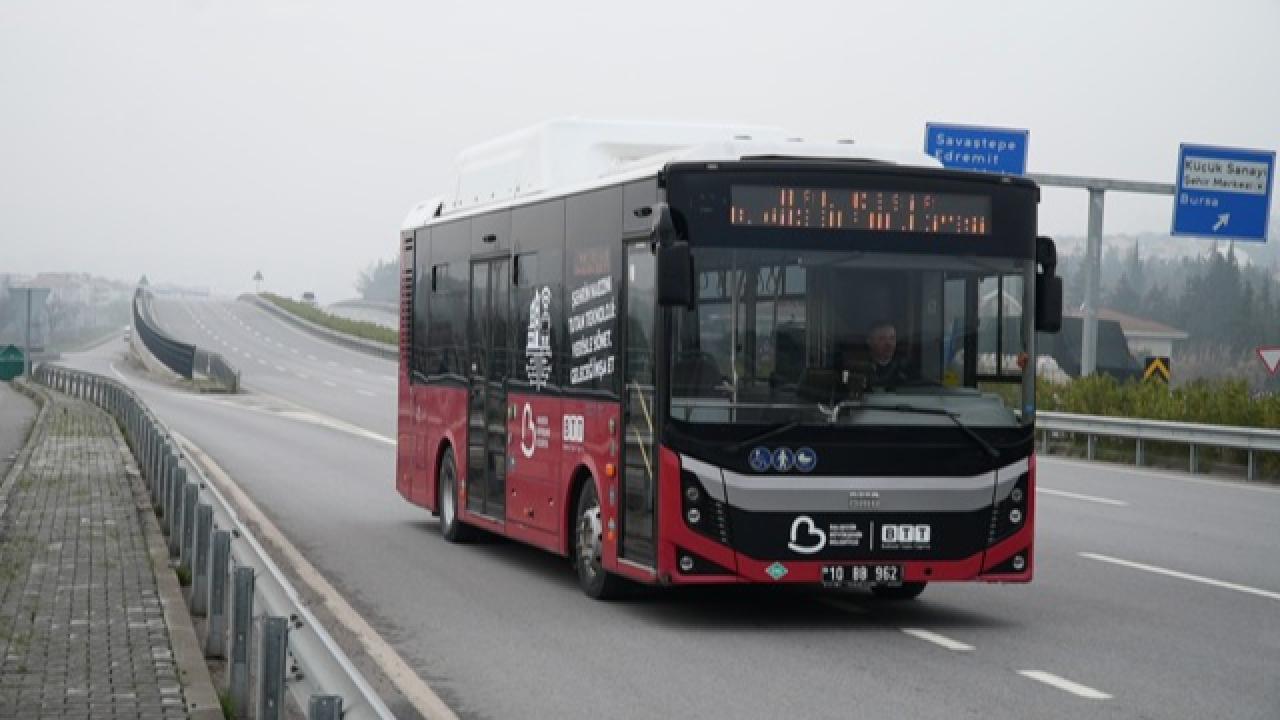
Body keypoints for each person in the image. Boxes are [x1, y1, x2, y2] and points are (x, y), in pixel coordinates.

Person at [865, 319, 911, 388]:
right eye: (882, 338)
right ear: (869, 341)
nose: (889, 343)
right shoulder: (858, 366)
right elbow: (845, 382)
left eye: (892, 338)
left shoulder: (907, 367)